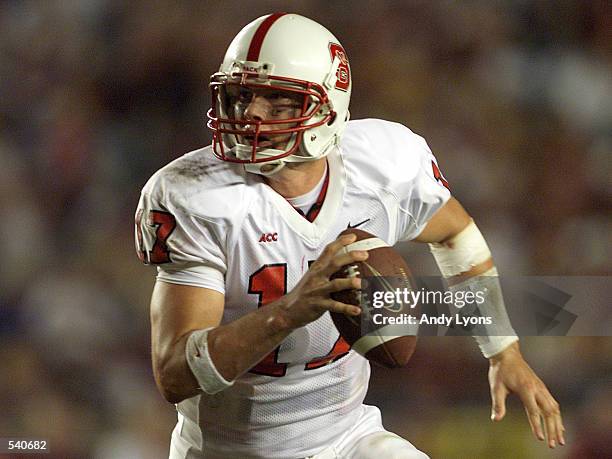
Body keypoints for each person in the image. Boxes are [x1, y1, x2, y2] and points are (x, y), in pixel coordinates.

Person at [135, 13, 564, 459]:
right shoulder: (194, 195)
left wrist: (503, 351)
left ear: (327, 110)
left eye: (277, 100)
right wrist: (289, 313)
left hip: (346, 438)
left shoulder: (380, 166)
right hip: (228, 451)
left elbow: (455, 233)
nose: (251, 114)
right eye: (243, 96)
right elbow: (174, 373)